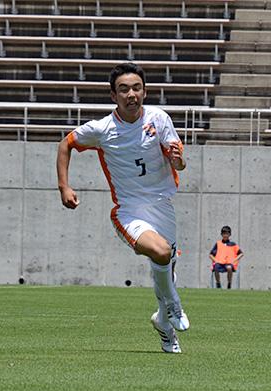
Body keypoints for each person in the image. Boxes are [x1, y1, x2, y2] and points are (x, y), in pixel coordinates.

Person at [56, 62, 189, 353]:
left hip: (163, 206)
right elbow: (66, 144)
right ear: (113, 95)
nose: (131, 94)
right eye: (124, 89)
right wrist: (64, 186)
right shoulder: (102, 129)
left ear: (145, 91)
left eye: (136, 88)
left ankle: (164, 325)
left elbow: (176, 158)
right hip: (128, 211)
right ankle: (173, 306)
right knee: (162, 253)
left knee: (166, 270)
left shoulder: (159, 118)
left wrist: (179, 160)